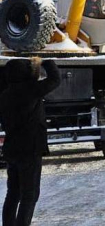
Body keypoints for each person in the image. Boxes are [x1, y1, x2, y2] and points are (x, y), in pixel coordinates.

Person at [0, 58, 61, 226]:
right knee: (30, 195)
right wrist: (47, 62)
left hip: (12, 149)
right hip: (30, 149)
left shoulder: (5, 94)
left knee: (13, 193)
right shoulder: (31, 90)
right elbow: (55, 79)